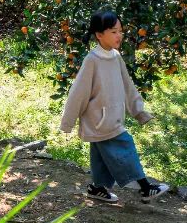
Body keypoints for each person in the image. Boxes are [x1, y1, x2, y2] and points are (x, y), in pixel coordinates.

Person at [59, 10, 170, 204]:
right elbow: (78, 93)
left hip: (110, 118)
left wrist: (139, 112)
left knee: (101, 157)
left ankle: (97, 189)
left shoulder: (116, 56)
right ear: (99, 35)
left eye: (120, 31)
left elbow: (127, 86)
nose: (119, 35)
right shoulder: (92, 60)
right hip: (101, 121)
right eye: (113, 31)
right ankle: (145, 188)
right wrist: (67, 123)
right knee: (125, 145)